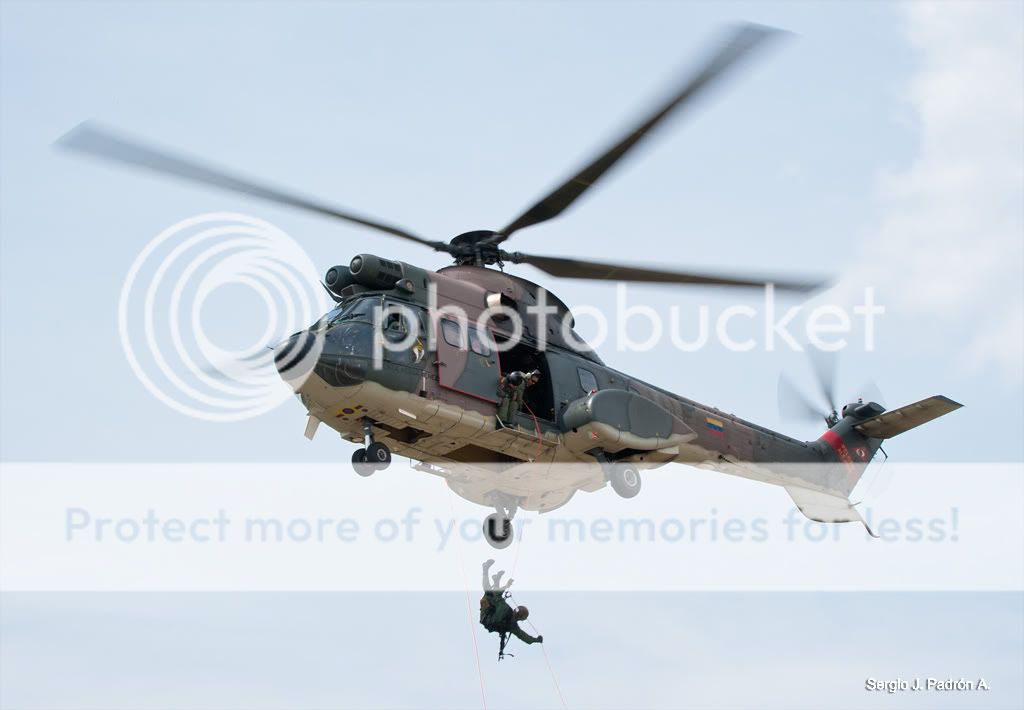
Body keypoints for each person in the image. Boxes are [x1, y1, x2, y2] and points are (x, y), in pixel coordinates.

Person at [478, 559, 542, 659]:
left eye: (518, 613)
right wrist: (535, 640)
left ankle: (489, 574)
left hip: (487, 619)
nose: (516, 613)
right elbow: (524, 637)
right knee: (490, 593)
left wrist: (535, 640)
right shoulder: (507, 611)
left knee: (490, 594)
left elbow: (524, 636)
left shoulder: (512, 623)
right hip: (489, 611)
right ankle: (493, 577)